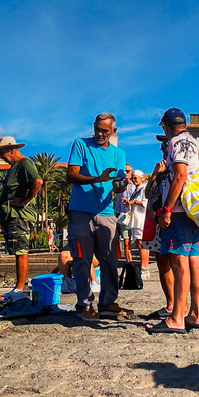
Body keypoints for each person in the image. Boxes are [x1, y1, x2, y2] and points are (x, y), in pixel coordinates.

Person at [146, 108, 199, 334]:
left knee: (179, 264)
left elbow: (180, 176)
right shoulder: (196, 144)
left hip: (180, 211)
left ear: (166, 127)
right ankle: (195, 314)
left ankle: (176, 318)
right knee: (193, 259)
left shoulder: (177, 144)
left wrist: (167, 209)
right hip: (193, 212)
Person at [66, 113, 129, 321]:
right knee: (82, 260)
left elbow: (118, 186)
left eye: (105, 130)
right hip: (81, 213)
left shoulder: (119, 153)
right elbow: (71, 175)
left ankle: (107, 303)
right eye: (97, 129)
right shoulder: (80, 144)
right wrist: (97, 178)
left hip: (107, 213)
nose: (100, 134)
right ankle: (84, 305)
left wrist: (122, 185)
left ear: (113, 132)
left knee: (110, 260)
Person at [0, 136, 44, 302]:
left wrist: (25, 200)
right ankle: (20, 287)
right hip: (11, 214)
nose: (1, 157)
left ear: (12, 150)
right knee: (17, 250)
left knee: (21, 251)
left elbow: (38, 181)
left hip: (19, 215)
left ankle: (20, 288)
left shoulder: (24, 163)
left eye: (2, 153)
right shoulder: (14, 166)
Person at [125, 170, 150, 278]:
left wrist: (133, 202)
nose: (134, 180)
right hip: (135, 218)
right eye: (132, 178)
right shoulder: (136, 190)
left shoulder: (144, 188)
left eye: (135, 178)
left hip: (141, 219)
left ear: (141, 178)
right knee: (140, 243)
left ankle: (144, 267)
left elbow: (145, 203)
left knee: (141, 243)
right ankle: (143, 266)